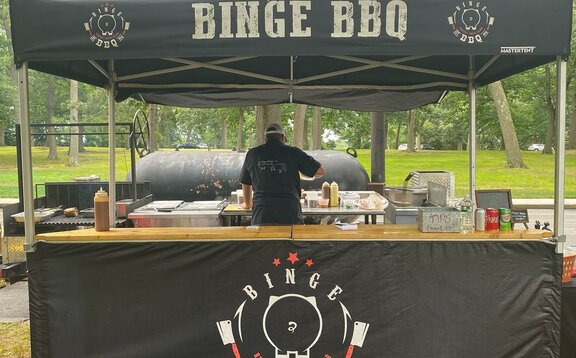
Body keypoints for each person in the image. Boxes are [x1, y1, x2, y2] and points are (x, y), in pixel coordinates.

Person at [240, 123, 325, 225]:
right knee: (290, 240)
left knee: (263, 240)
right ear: (283, 137)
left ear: (266, 138)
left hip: (262, 213)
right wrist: (301, 172)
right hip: (289, 213)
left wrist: (248, 204)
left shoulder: (252, 154)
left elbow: (245, 182)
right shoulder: (293, 152)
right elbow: (320, 171)